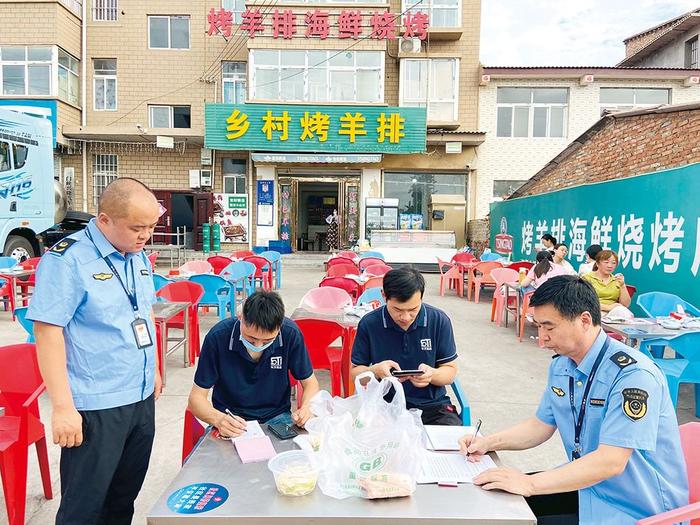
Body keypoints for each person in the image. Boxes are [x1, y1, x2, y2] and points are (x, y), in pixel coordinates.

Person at [458, 276, 688, 525]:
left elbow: (610, 462)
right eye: (539, 326)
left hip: (636, 507)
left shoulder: (633, 376)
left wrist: (529, 483)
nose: (542, 337)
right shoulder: (562, 365)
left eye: (549, 327)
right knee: (494, 505)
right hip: (589, 488)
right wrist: (487, 442)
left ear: (584, 320)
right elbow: (540, 425)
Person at [28, 178, 162, 525]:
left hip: (140, 396)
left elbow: (144, 311)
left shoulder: (137, 255)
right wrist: (62, 408)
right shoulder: (68, 260)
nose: (144, 235)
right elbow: (48, 331)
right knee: (85, 506)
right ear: (104, 220)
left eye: (150, 226)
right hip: (96, 404)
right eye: (136, 227)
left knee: (123, 497)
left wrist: (156, 369)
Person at [189, 290, 320, 437]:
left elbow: (310, 383)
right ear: (241, 318)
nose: (258, 346)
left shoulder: (290, 334)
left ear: (279, 327)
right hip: (231, 419)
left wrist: (307, 407)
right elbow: (196, 399)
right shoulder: (218, 338)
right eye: (251, 339)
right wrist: (219, 420)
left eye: (267, 341)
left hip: (277, 418)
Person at [350, 267, 460, 426]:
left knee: (451, 444)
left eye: (413, 309)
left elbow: (449, 372)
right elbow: (355, 372)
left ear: (421, 298)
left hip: (432, 407)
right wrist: (375, 371)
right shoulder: (369, 324)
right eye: (397, 310)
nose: (405, 317)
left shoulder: (439, 321)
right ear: (384, 296)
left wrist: (431, 375)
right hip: (383, 406)